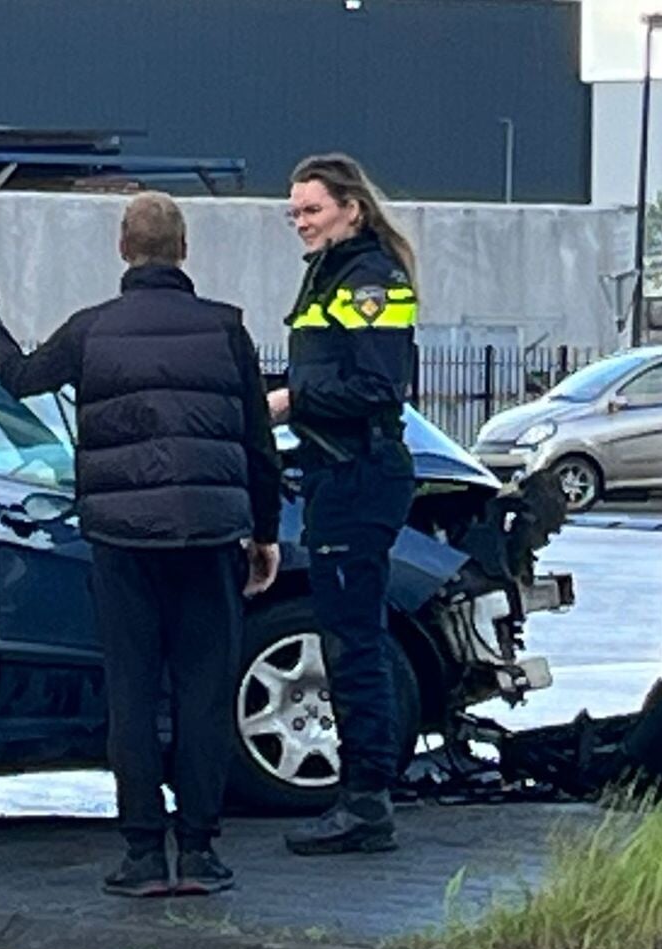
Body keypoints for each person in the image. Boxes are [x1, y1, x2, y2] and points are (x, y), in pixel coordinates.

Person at [0, 193, 282, 897]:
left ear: (123, 249)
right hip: (210, 535)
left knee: (131, 694)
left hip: (123, 541)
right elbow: (257, 443)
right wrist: (266, 534)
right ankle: (199, 852)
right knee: (202, 692)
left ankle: (140, 855)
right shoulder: (227, 330)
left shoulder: (91, 331)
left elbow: (19, 379)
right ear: (183, 249)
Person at [266, 153, 420, 856]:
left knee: (353, 643)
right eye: (295, 212)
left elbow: (379, 387)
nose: (301, 222)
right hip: (336, 473)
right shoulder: (331, 270)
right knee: (342, 638)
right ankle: (363, 797)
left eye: (313, 210)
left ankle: (367, 803)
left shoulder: (370, 280)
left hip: (359, 473)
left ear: (350, 209)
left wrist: (292, 401)